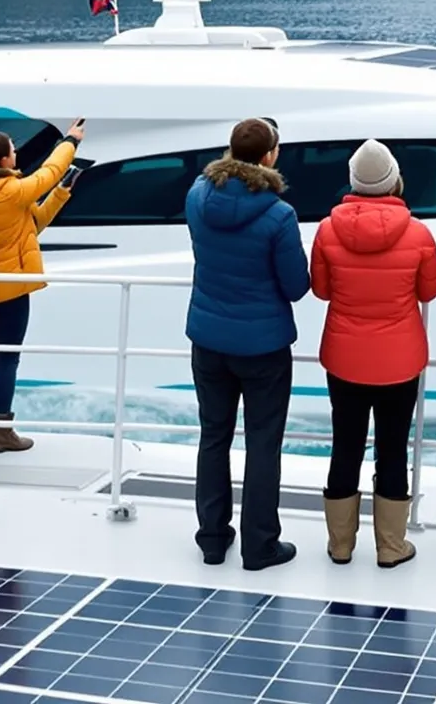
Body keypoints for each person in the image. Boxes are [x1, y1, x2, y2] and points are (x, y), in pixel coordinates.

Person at [183, 117, 310, 571]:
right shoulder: (278, 214)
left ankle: (213, 540)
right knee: (262, 443)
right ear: (270, 155)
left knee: (213, 436)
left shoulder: (198, 195)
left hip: (208, 339)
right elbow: (297, 286)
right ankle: (260, 546)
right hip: (263, 346)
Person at [311, 138, 436, 568]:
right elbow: (430, 290)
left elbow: (322, 290)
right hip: (399, 359)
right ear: (393, 181)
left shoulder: (328, 229)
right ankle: (390, 546)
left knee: (345, 445)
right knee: (392, 448)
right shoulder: (419, 233)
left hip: (345, 357)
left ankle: (341, 545)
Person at [0, 119, 82, 453]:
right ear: (3, 162)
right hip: (11, 286)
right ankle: (2, 431)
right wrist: (70, 140)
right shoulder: (10, 190)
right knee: (8, 359)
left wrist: (63, 193)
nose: (16, 154)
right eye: (12, 151)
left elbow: (32, 224)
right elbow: (49, 171)